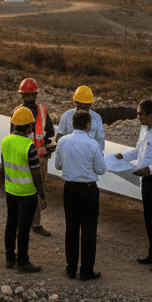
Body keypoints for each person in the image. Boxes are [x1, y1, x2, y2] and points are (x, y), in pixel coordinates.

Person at [108, 99, 152, 272]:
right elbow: (138, 151)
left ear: (151, 115)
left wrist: (149, 169)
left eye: (140, 114)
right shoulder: (145, 129)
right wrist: (123, 156)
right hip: (146, 178)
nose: (137, 117)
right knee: (149, 218)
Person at [53, 110, 106, 280]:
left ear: (73, 123)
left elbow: (58, 165)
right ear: (88, 125)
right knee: (89, 230)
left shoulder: (63, 141)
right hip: (88, 189)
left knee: (71, 228)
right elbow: (101, 169)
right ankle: (86, 271)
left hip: (70, 188)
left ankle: (71, 268)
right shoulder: (93, 144)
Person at [0, 106, 47, 273]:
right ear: (28, 127)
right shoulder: (29, 146)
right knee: (24, 228)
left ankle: (9, 259)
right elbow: (36, 174)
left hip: (10, 190)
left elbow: (4, 165)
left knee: (11, 224)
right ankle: (23, 262)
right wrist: (42, 194)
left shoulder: (5, 141)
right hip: (27, 193)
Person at [12, 78, 55, 236]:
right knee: (28, 190)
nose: (29, 98)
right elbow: (13, 135)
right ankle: (28, 222)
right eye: (26, 95)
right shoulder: (22, 112)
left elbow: (50, 132)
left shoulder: (41, 111)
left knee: (34, 190)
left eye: (30, 95)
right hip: (30, 158)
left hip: (38, 158)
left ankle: (33, 223)